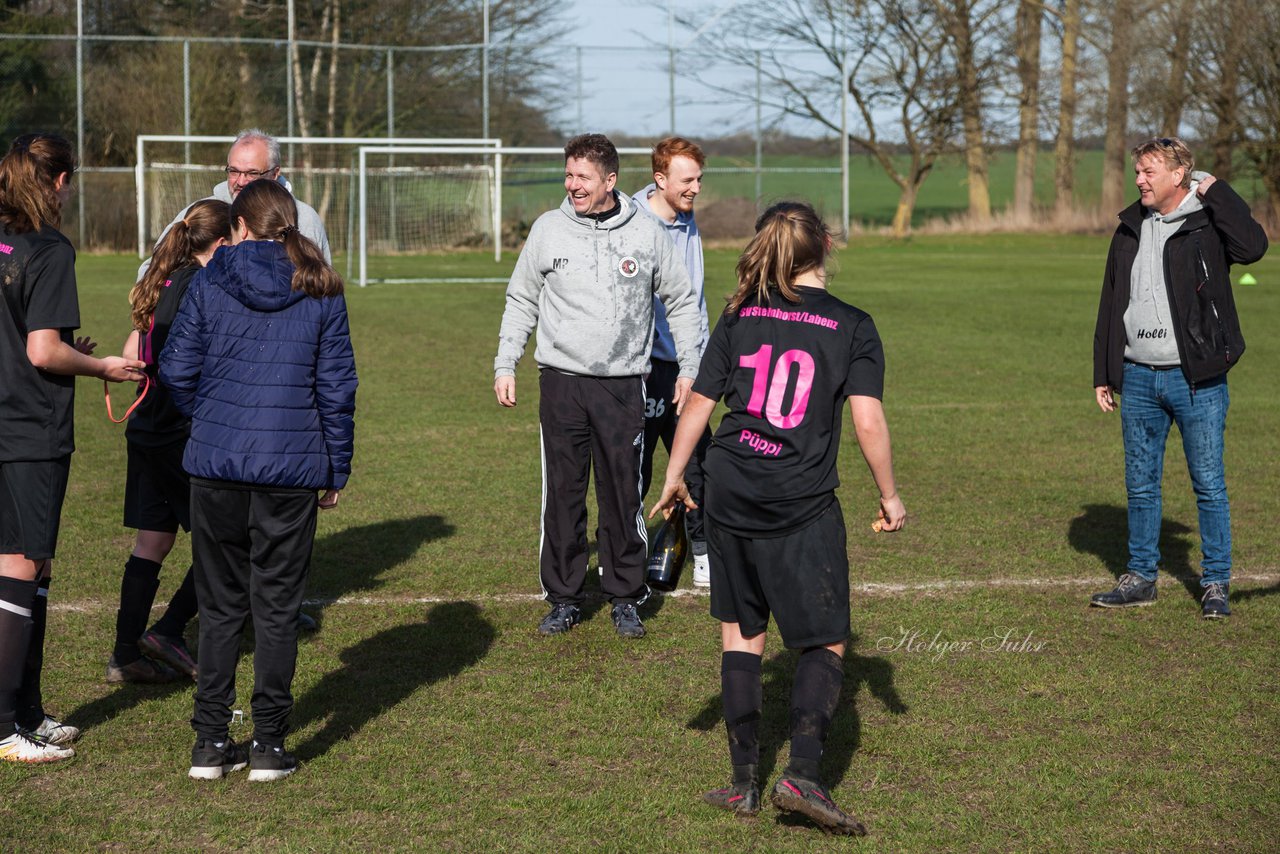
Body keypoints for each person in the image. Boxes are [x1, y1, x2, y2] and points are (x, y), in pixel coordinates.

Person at [650, 202, 906, 835]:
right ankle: (804, 775)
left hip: (729, 488)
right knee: (822, 639)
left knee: (741, 630)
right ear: (824, 243)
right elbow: (867, 420)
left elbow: (700, 404)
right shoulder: (852, 324)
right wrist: (890, 495)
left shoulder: (739, 312)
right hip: (799, 500)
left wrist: (676, 474)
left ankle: (743, 785)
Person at [160, 178, 356, 781]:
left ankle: (212, 745)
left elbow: (174, 368)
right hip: (287, 468)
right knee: (274, 609)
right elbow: (338, 389)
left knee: (221, 612)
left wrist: (213, 418)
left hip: (224, 466)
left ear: (240, 227)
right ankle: (265, 745)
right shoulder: (318, 285)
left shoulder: (214, 277)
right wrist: (336, 465)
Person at [494, 133, 703, 639]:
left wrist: (691, 365)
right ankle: (563, 597)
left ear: (609, 180)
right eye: (568, 176)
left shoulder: (646, 232)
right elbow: (521, 297)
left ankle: (625, 596)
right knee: (562, 495)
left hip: (623, 385)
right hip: (561, 383)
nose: (573, 186)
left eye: (582, 177)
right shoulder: (548, 229)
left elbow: (680, 299)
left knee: (621, 494)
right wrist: (506, 362)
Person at [0, 133, 145, 763]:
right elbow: (41, 350)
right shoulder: (48, 248)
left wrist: (63, 351)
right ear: (59, 182)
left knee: (29, 565)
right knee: (22, 566)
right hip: (29, 428)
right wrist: (104, 367)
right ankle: (6, 726)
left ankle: (28, 712)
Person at [1091, 137, 1267, 618]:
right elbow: (1111, 301)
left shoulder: (1208, 223)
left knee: (1209, 484)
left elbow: (1253, 248)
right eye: (1138, 172)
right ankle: (1141, 577)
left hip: (1197, 379)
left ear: (1178, 175)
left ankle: (1215, 584)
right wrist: (1104, 370)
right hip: (1138, 375)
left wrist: (1219, 192)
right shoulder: (1129, 227)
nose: (1140, 180)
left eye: (1149, 172)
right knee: (1141, 485)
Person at [107, 199, 231, 685]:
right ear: (223, 241)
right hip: (180, 430)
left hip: (146, 425)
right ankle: (170, 630)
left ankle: (124, 655)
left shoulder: (162, 279)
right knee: (228, 540)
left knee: (153, 540)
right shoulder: (204, 284)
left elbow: (133, 349)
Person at [632, 136, 715, 588]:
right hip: (640, 371)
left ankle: (703, 554)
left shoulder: (688, 220)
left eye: (699, 179)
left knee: (701, 465)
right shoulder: (627, 221)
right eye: (688, 180)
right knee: (635, 471)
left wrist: (696, 363)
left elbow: (693, 299)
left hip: (687, 368)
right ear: (659, 178)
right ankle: (627, 556)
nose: (696, 188)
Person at [139, 128, 330, 281]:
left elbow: (324, 287)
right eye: (234, 171)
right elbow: (150, 272)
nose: (241, 181)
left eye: (252, 173)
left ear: (275, 173)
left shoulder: (304, 218)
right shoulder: (201, 213)